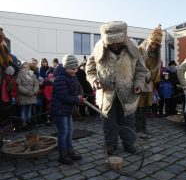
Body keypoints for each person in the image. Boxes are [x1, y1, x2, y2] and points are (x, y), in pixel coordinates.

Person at [86, 21, 146, 155]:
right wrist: (94, 80)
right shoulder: (98, 50)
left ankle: (128, 143)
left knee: (128, 120)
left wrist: (138, 84)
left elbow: (141, 71)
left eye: (118, 41)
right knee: (108, 121)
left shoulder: (133, 50)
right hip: (107, 95)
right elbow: (89, 69)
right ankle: (111, 144)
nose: (115, 45)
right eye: (111, 42)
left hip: (128, 93)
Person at [51, 54, 84, 165]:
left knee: (69, 131)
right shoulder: (60, 78)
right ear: (65, 67)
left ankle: (70, 150)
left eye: (76, 68)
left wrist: (80, 94)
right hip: (60, 110)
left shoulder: (72, 76)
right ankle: (62, 154)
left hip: (68, 109)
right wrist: (77, 100)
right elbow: (63, 96)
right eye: (72, 69)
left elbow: (78, 87)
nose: (75, 71)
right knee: (63, 132)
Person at [135, 25, 162, 137]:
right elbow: (134, 66)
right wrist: (141, 78)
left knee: (146, 106)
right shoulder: (140, 50)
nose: (154, 46)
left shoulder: (157, 55)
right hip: (140, 83)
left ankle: (144, 128)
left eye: (156, 45)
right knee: (138, 106)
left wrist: (153, 79)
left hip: (150, 84)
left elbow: (156, 70)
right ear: (149, 41)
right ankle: (137, 129)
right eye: (152, 43)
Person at [16, 61, 39, 130]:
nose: (26, 68)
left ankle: (28, 124)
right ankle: (24, 124)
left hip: (31, 96)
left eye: (27, 67)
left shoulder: (32, 74)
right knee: (23, 111)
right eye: (24, 67)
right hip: (23, 96)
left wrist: (34, 91)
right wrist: (27, 92)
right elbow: (18, 86)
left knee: (29, 111)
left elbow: (36, 84)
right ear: (22, 67)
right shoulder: (19, 74)